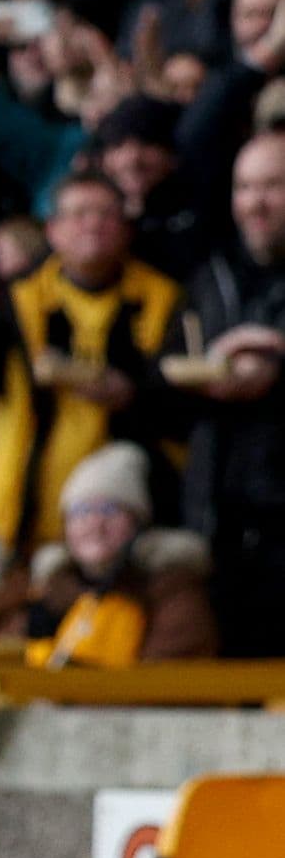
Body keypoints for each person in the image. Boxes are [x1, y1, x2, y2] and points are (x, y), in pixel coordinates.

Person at [0, 174, 186, 627]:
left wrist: (130, 394)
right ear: (53, 231)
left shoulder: (165, 298)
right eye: (78, 213)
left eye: (106, 213)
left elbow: (179, 410)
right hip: (31, 531)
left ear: (127, 228)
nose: (93, 225)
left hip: (135, 536)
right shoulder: (18, 303)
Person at [171, 128, 285, 656]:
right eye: (244, 187)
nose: (254, 203)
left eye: (273, 185)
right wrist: (204, 377)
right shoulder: (208, 277)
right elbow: (161, 390)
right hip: (220, 531)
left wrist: (278, 366)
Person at [0, 440, 217, 663]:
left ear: (138, 523)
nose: (95, 524)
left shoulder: (172, 590)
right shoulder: (41, 587)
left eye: (109, 510)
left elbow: (161, 681)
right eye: (81, 511)